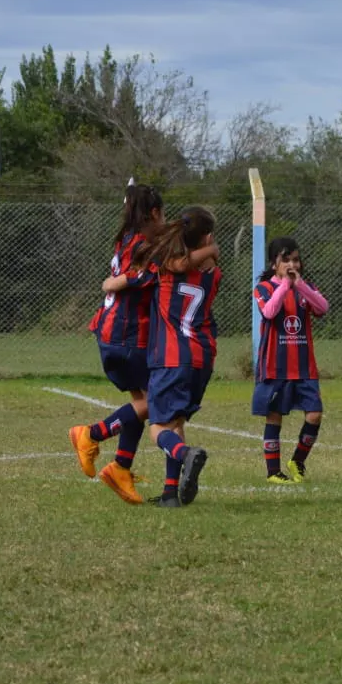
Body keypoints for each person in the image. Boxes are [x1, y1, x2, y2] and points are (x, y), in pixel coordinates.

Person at [69, 184, 164, 504]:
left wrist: (112, 281)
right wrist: (115, 282)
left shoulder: (125, 238)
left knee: (139, 402)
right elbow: (144, 276)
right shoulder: (144, 244)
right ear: (153, 213)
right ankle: (91, 434)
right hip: (127, 334)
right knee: (156, 400)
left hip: (111, 332)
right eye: (163, 214)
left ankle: (121, 468)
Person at [128, 206, 220, 508]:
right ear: (207, 238)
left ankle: (185, 453)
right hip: (202, 358)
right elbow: (193, 263)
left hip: (170, 357)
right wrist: (211, 251)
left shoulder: (166, 266)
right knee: (176, 423)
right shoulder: (214, 274)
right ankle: (170, 493)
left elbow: (175, 262)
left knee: (158, 427)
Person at [252, 237, 328, 484]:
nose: (292, 264)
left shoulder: (306, 288)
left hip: (304, 366)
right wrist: (285, 285)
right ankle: (273, 471)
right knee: (275, 415)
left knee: (314, 414)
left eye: (295, 259)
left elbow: (322, 308)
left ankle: (298, 460)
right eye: (285, 260)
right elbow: (269, 312)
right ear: (274, 264)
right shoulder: (264, 288)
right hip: (275, 365)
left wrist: (300, 285)